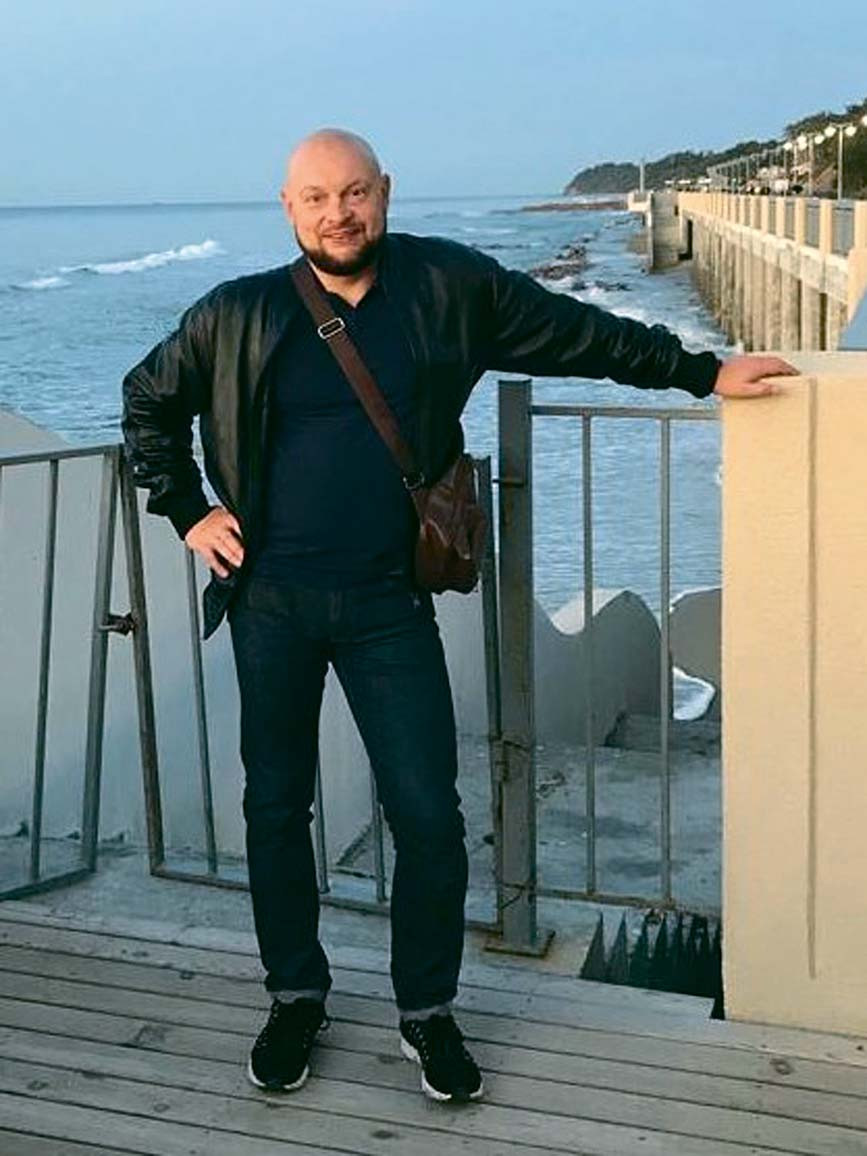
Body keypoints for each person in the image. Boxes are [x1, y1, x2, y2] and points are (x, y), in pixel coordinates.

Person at [121, 128, 797, 1104]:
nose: (339, 213)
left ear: (384, 192)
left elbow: (583, 333)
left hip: (387, 606)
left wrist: (702, 372)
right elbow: (148, 401)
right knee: (274, 808)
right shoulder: (237, 313)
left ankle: (426, 1010)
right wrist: (189, 509)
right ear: (289, 208)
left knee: (429, 816)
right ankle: (295, 994)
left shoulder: (449, 289)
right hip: (269, 601)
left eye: (355, 192)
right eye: (317, 198)